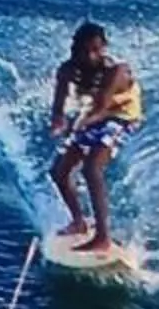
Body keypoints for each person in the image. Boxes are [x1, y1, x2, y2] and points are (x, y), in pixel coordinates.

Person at [46, 22, 143, 253]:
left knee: (92, 168)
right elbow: (58, 108)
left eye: (96, 50)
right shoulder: (67, 70)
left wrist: (77, 125)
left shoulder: (116, 71)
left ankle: (103, 237)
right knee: (59, 172)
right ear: (75, 50)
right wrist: (58, 123)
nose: (90, 56)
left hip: (122, 116)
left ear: (104, 48)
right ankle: (78, 222)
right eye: (84, 51)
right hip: (95, 116)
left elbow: (101, 107)